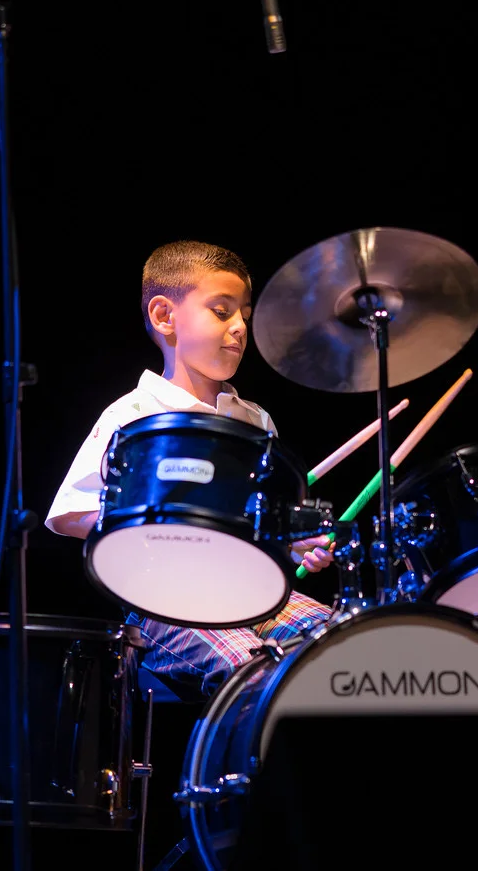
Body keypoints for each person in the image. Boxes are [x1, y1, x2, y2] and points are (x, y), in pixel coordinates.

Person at [45, 239, 336, 698]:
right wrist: (157, 524)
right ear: (165, 317)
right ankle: (244, 769)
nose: (240, 327)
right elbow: (69, 513)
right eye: (222, 311)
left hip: (257, 596)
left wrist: (298, 543)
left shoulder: (254, 421)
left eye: (245, 314)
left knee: (340, 645)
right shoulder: (135, 414)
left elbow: (270, 525)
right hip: (166, 603)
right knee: (254, 671)